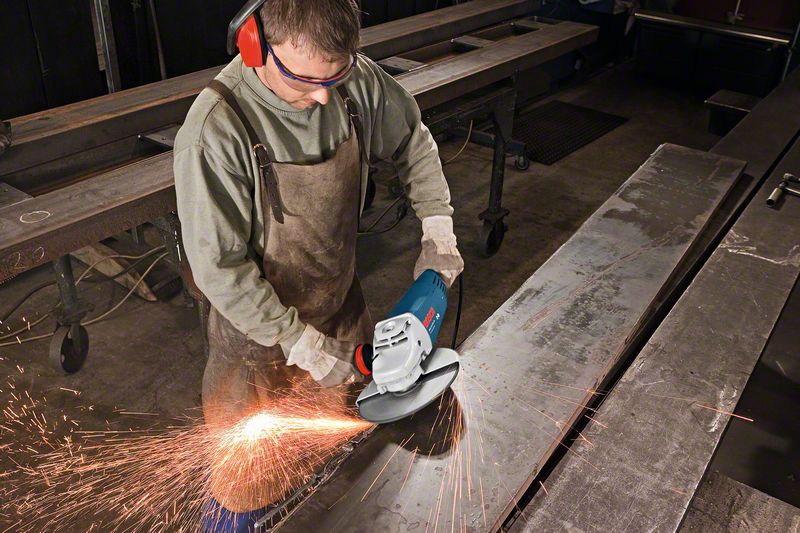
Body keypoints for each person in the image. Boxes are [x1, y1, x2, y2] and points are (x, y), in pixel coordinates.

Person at [173, 0, 464, 530]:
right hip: (258, 348)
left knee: (340, 475)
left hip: (342, 318)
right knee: (246, 486)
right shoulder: (216, 129)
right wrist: (299, 343)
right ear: (255, 45)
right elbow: (220, 269)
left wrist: (438, 226)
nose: (324, 96)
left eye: (337, 75)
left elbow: (412, 140)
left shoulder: (354, 82)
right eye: (306, 80)